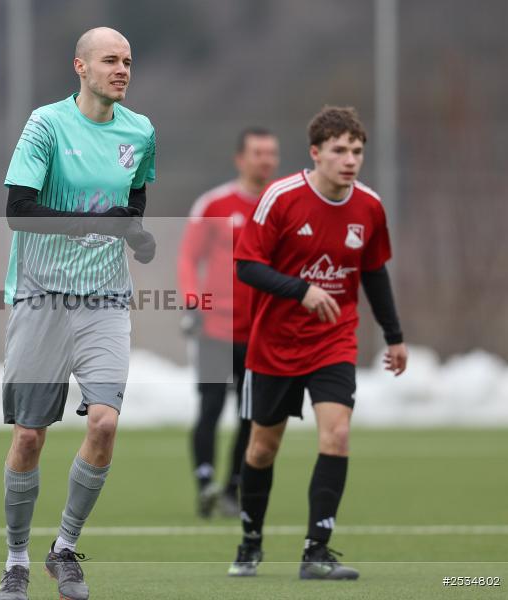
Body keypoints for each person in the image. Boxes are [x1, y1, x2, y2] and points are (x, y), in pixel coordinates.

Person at [0, 27, 156, 600]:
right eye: (110, 60)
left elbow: (134, 196)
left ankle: (64, 549)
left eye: (128, 61)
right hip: (41, 296)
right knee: (30, 437)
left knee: (104, 423)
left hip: (105, 300)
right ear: (80, 67)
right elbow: (18, 211)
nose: (122, 69)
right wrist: (97, 223)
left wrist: (133, 231)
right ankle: (15, 559)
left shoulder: (141, 132)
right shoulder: (46, 125)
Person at [228, 106, 407, 580]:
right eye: (339, 150)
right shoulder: (281, 197)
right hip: (274, 345)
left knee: (338, 434)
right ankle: (251, 540)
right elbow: (246, 265)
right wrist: (301, 289)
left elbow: (373, 271)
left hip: (333, 342)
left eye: (357, 151)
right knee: (263, 448)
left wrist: (394, 336)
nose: (350, 160)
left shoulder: (369, 206)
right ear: (316, 153)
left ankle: (316, 552)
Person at [178, 128, 280, 519]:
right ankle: (205, 484)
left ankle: (234, 489)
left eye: (271, 153)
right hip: (216, 329)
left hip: (262, 333)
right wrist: (192, 303)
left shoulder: (283, 205)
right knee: (211, 407)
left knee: (251, 414)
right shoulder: (215, 204)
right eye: (258, 152)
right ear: (241, 158)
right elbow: (189, 258)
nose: (265, 160)